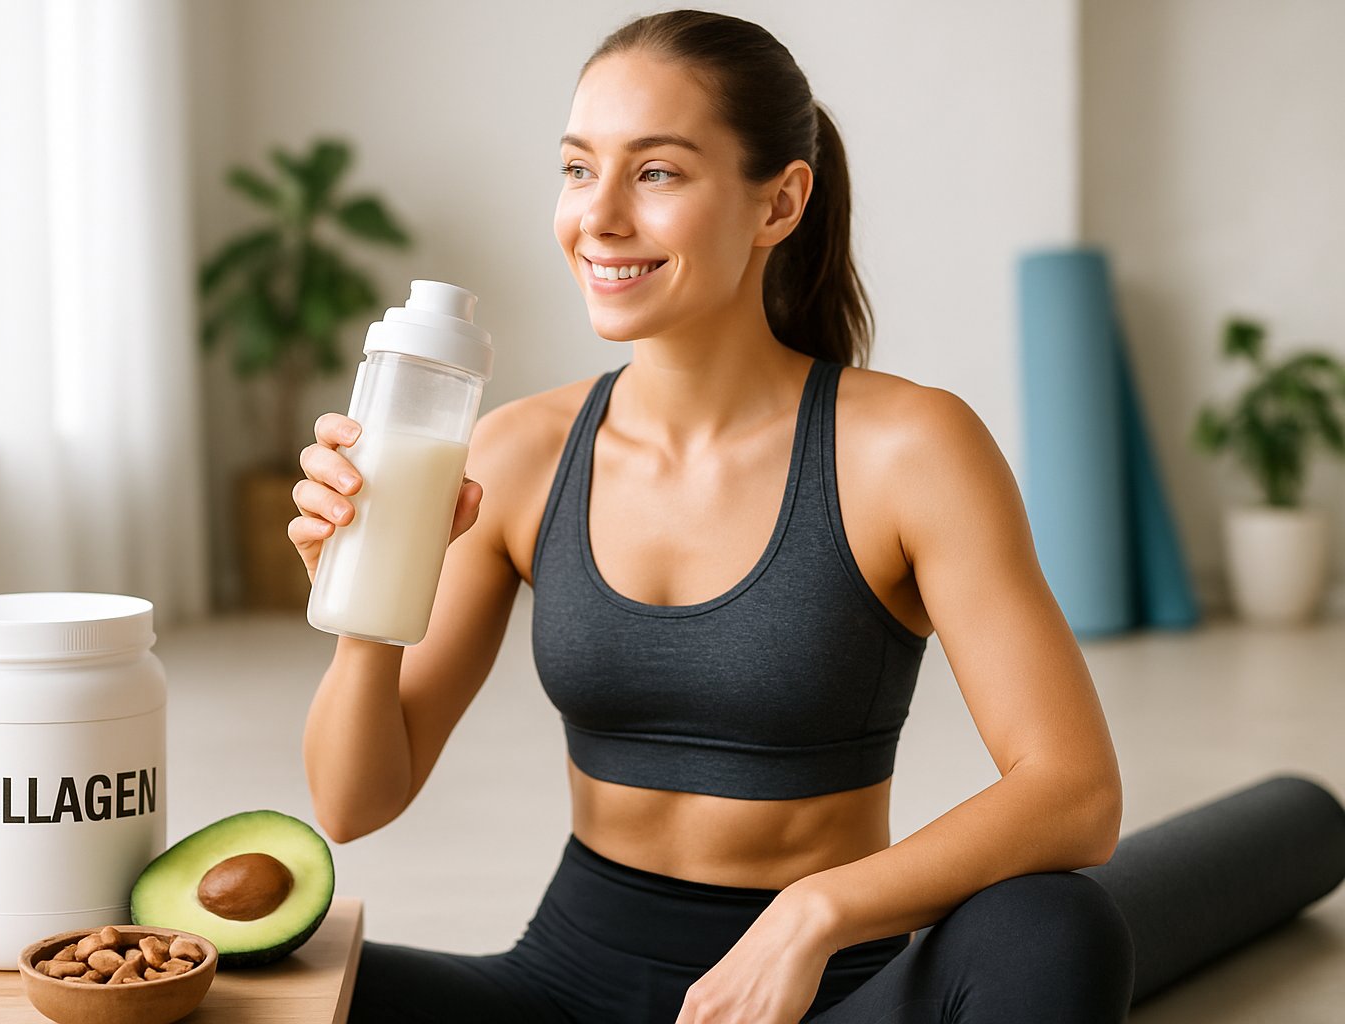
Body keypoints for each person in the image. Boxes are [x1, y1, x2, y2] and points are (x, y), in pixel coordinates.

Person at [289, 10, 1134, 1023]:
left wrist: (815, 911)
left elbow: (1074, 792)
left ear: (779, 203)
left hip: (824, 997)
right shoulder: (518, 453)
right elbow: (353, 803)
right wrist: (364, 591)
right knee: (231, 973)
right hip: (566, 990)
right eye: (577, 168)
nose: (599, 216)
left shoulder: (908, 450)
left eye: (656, 173)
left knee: (1055, 926)